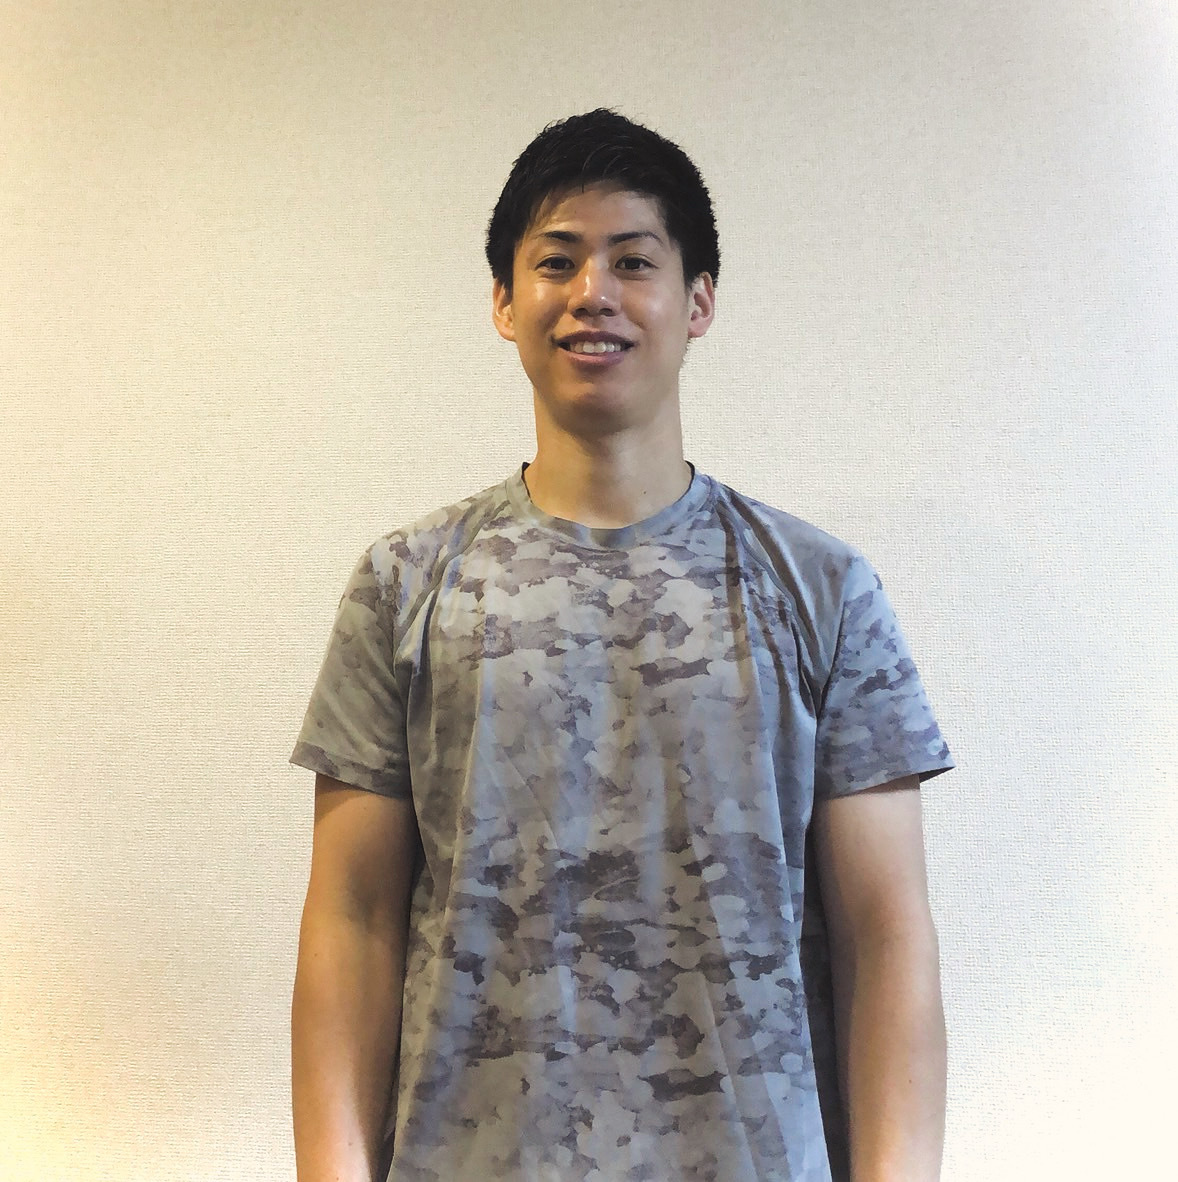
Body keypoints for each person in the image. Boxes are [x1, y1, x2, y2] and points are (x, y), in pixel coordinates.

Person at [290, 108, 953, 1182]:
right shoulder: (404, 585)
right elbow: (351, 920)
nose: (591, 291)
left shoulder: (823, 591)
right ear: (504, 302)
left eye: (633, 260)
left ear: (698, 303)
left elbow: (886, 936)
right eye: (556, 260)